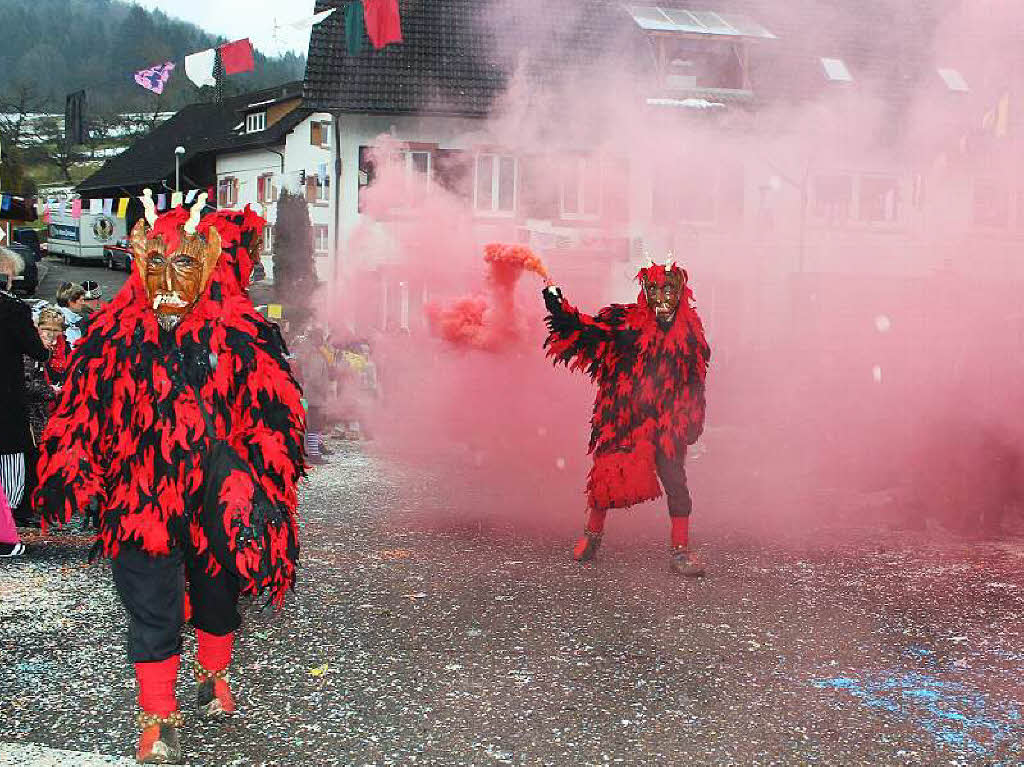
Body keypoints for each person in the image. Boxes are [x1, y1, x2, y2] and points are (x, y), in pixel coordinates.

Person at [34, 192, 306, 764]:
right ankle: (157, 715)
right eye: (155, 262)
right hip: (141, 496)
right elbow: (79, 412)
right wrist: (72, 466)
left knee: (216, 592)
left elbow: (275, 417)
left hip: (215, 493)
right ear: (137, 259)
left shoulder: (241, 335)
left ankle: (214, 672)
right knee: (151, 602)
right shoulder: (113, 337)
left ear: (207, 262)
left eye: (182, 263)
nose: (166, 277)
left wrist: (265, 486)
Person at [542, 260, 711, 575]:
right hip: (625, 416)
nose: (661, 298)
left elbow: (695, 380)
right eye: (655, 290)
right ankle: (592, 535)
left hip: (667, 420)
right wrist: (558, 307)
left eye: (669, 290)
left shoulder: (691, 333)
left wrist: (693, 421)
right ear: (645, 291)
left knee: (676, 481)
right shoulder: (624, 323)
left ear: (680, 293)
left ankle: (681, 550)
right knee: (607, 476)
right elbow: (587, 332)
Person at [0, 246, 49, 555]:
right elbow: (38, 350)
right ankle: (5, 534)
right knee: (10, 472)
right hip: (6, 401)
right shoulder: (13, 308)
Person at [16, 306, 65, 527]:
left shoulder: (53, 350)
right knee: (31, 463)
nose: (51, 335)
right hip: (30, 417)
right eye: (47, 329)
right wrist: (49, 391)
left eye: (56, 330)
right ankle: (26, 509)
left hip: (42, 416)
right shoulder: (30, 352)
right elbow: (25, 384)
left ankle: (33, 508)